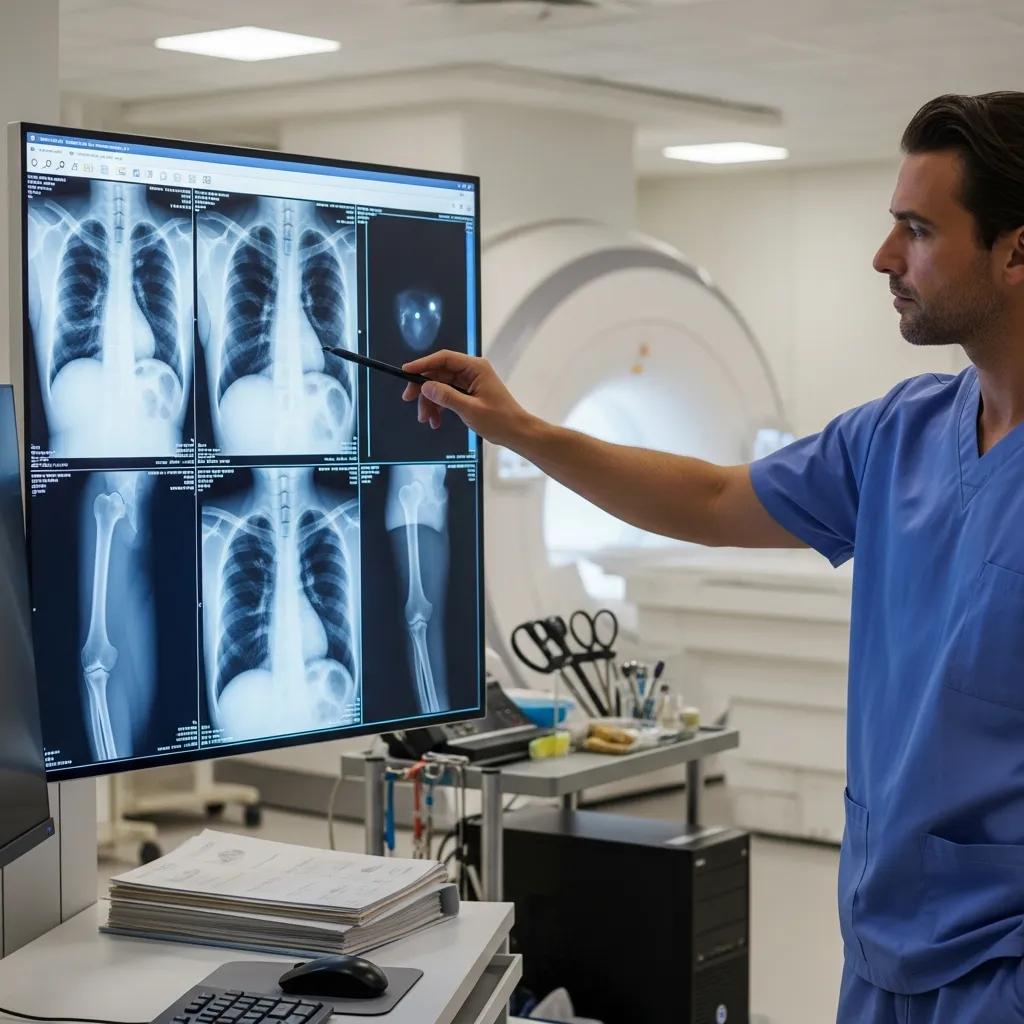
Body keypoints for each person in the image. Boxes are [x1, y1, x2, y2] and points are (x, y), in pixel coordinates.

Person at [401, 91, 1024, 1023]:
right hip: (885, 938)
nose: (884, 257)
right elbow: (711, 497)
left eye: (918, 229)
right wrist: (521, 430)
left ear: (1017, 250)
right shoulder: (902, 432)